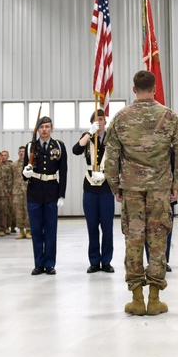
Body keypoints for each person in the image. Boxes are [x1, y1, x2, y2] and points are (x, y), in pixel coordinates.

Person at [103, 70, 178, 316]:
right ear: (154, 88)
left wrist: (116, 187)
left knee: (134, 239)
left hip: (131, 190)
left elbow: (111, 159)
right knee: (158, 240)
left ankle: (136, 299)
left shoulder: (120, 118)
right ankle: (155, 299)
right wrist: (177, 185)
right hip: (160, 190)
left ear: (134, 89)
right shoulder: (169, 116)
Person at [22, 116, 68, 275]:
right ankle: (38, 264)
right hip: (34, 192)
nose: (44, 130)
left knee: (50, 230)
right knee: (36, 230)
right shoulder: (30, 147)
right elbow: (24, 174)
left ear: (51, 128)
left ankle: (49, 264)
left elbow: (63, 171)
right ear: (37, 129)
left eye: (47, 127)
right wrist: (26, 173)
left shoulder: (59, 146)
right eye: (41, 127)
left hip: (51, 192)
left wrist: (61, 195)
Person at [73, 109, 116, 273]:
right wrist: (89, 133)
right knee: (92, 226)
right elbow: (76, 150)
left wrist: (108, 174)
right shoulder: (88, 136)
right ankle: (94, 261)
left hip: (106, 185)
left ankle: (106, 261)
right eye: (96, 120)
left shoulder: (111, 138)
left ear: (106, 122)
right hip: (90, 185)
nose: (100, 122)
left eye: (102, 119)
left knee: (107, 226)